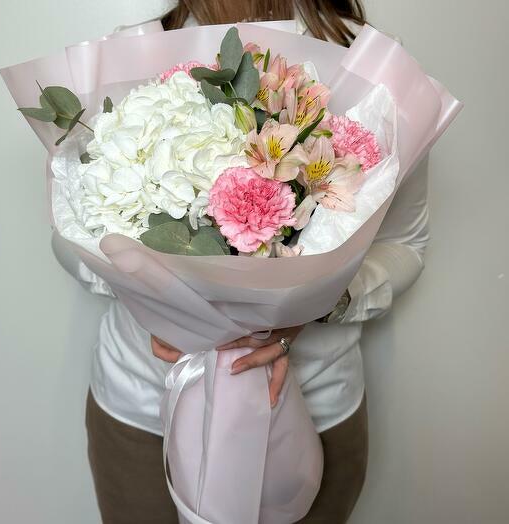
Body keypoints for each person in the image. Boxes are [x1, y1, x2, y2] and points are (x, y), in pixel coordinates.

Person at [52, 1, 429, 522]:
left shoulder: (370, 64)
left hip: (314, 407)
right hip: (142, 408)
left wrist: (320, 304)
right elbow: (69, 236)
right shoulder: (126, 53)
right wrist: (164, 303)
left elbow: (407, 245)